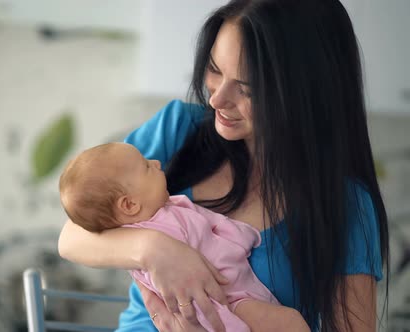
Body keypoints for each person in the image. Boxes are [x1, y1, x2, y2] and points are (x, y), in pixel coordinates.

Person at [58, 0, 389, 331]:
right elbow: (72, 237)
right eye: (215, 70)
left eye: (247, 88)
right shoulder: (180, 129)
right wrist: (154, 248)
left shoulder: (345, 204)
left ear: (307, 93)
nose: (216, 99)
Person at [59, 142, 310, 332]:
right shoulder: (143, 239)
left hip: (238, 289)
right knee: (292, 324)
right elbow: (188, 302)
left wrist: (244, 237)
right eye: (147, 166)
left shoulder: (174, 205)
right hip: (227, 304)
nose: (156, 162)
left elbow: (214, 224)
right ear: (129, 205)